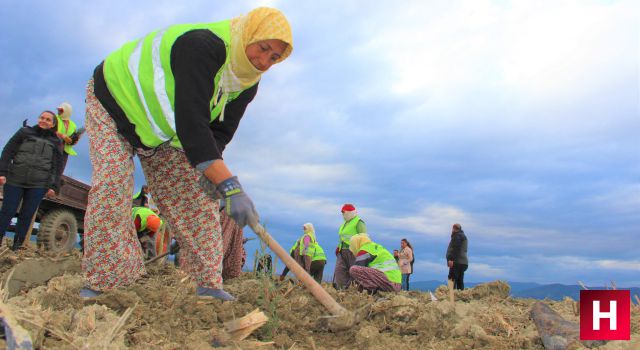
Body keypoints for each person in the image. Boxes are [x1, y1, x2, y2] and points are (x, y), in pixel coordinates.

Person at [80, 7, 293, 301]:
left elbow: (220, 132)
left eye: (274, 58)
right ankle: (106, 281)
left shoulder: (248, 83)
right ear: (249, 33)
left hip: (164, 131)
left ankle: (206, 284)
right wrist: (229, 185)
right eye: (263, 47)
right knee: (113, 184)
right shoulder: (203, 46)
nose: (263, 61)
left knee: (196, 199)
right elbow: (193, 125)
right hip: (115, 101)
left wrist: (210, 172)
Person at [0, 111, 62, 250]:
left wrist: (53, 186)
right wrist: (2, 172)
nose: (43, 121)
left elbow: (57, 166)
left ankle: (17, 246)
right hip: (15, 179)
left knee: (26, 216)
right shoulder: (24, 132)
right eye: (42, 118)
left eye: (47, 119)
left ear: (53, 124)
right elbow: (7, 151)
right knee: (7, 212)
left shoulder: (56, 142)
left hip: (38, 185)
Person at [333, 203, 367, 289]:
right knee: (339, 270)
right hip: (342, 250)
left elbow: (364, 238)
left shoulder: (359, 222)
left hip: (353, 251)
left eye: (344, 212)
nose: (343, 214)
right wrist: (339, 247)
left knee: (354, 271)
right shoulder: (345, 223)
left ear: (349, 212)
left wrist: (361, 251)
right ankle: (342, 290)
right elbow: (343, 238)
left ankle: (355, 290)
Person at [55, 102, 81, 172]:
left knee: (59, 171)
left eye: (61, 110)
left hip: (64, 152)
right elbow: (49, 130)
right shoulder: (54, 118)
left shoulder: (73, 125)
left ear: (67, 111)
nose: (59, 112)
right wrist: (62, 136)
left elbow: (75, 137)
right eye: (58, 110)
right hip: (53, 147)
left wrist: (75, 141)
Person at [446, 223, 468, 290]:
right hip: (463, 262)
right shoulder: (463, 236)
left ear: (454, 228)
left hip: (456, 262)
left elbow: (456, 248)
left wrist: (451, 259)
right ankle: (460, 297)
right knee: (460, 281)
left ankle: (452, 297)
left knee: (452, 280)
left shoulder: (457, 236)